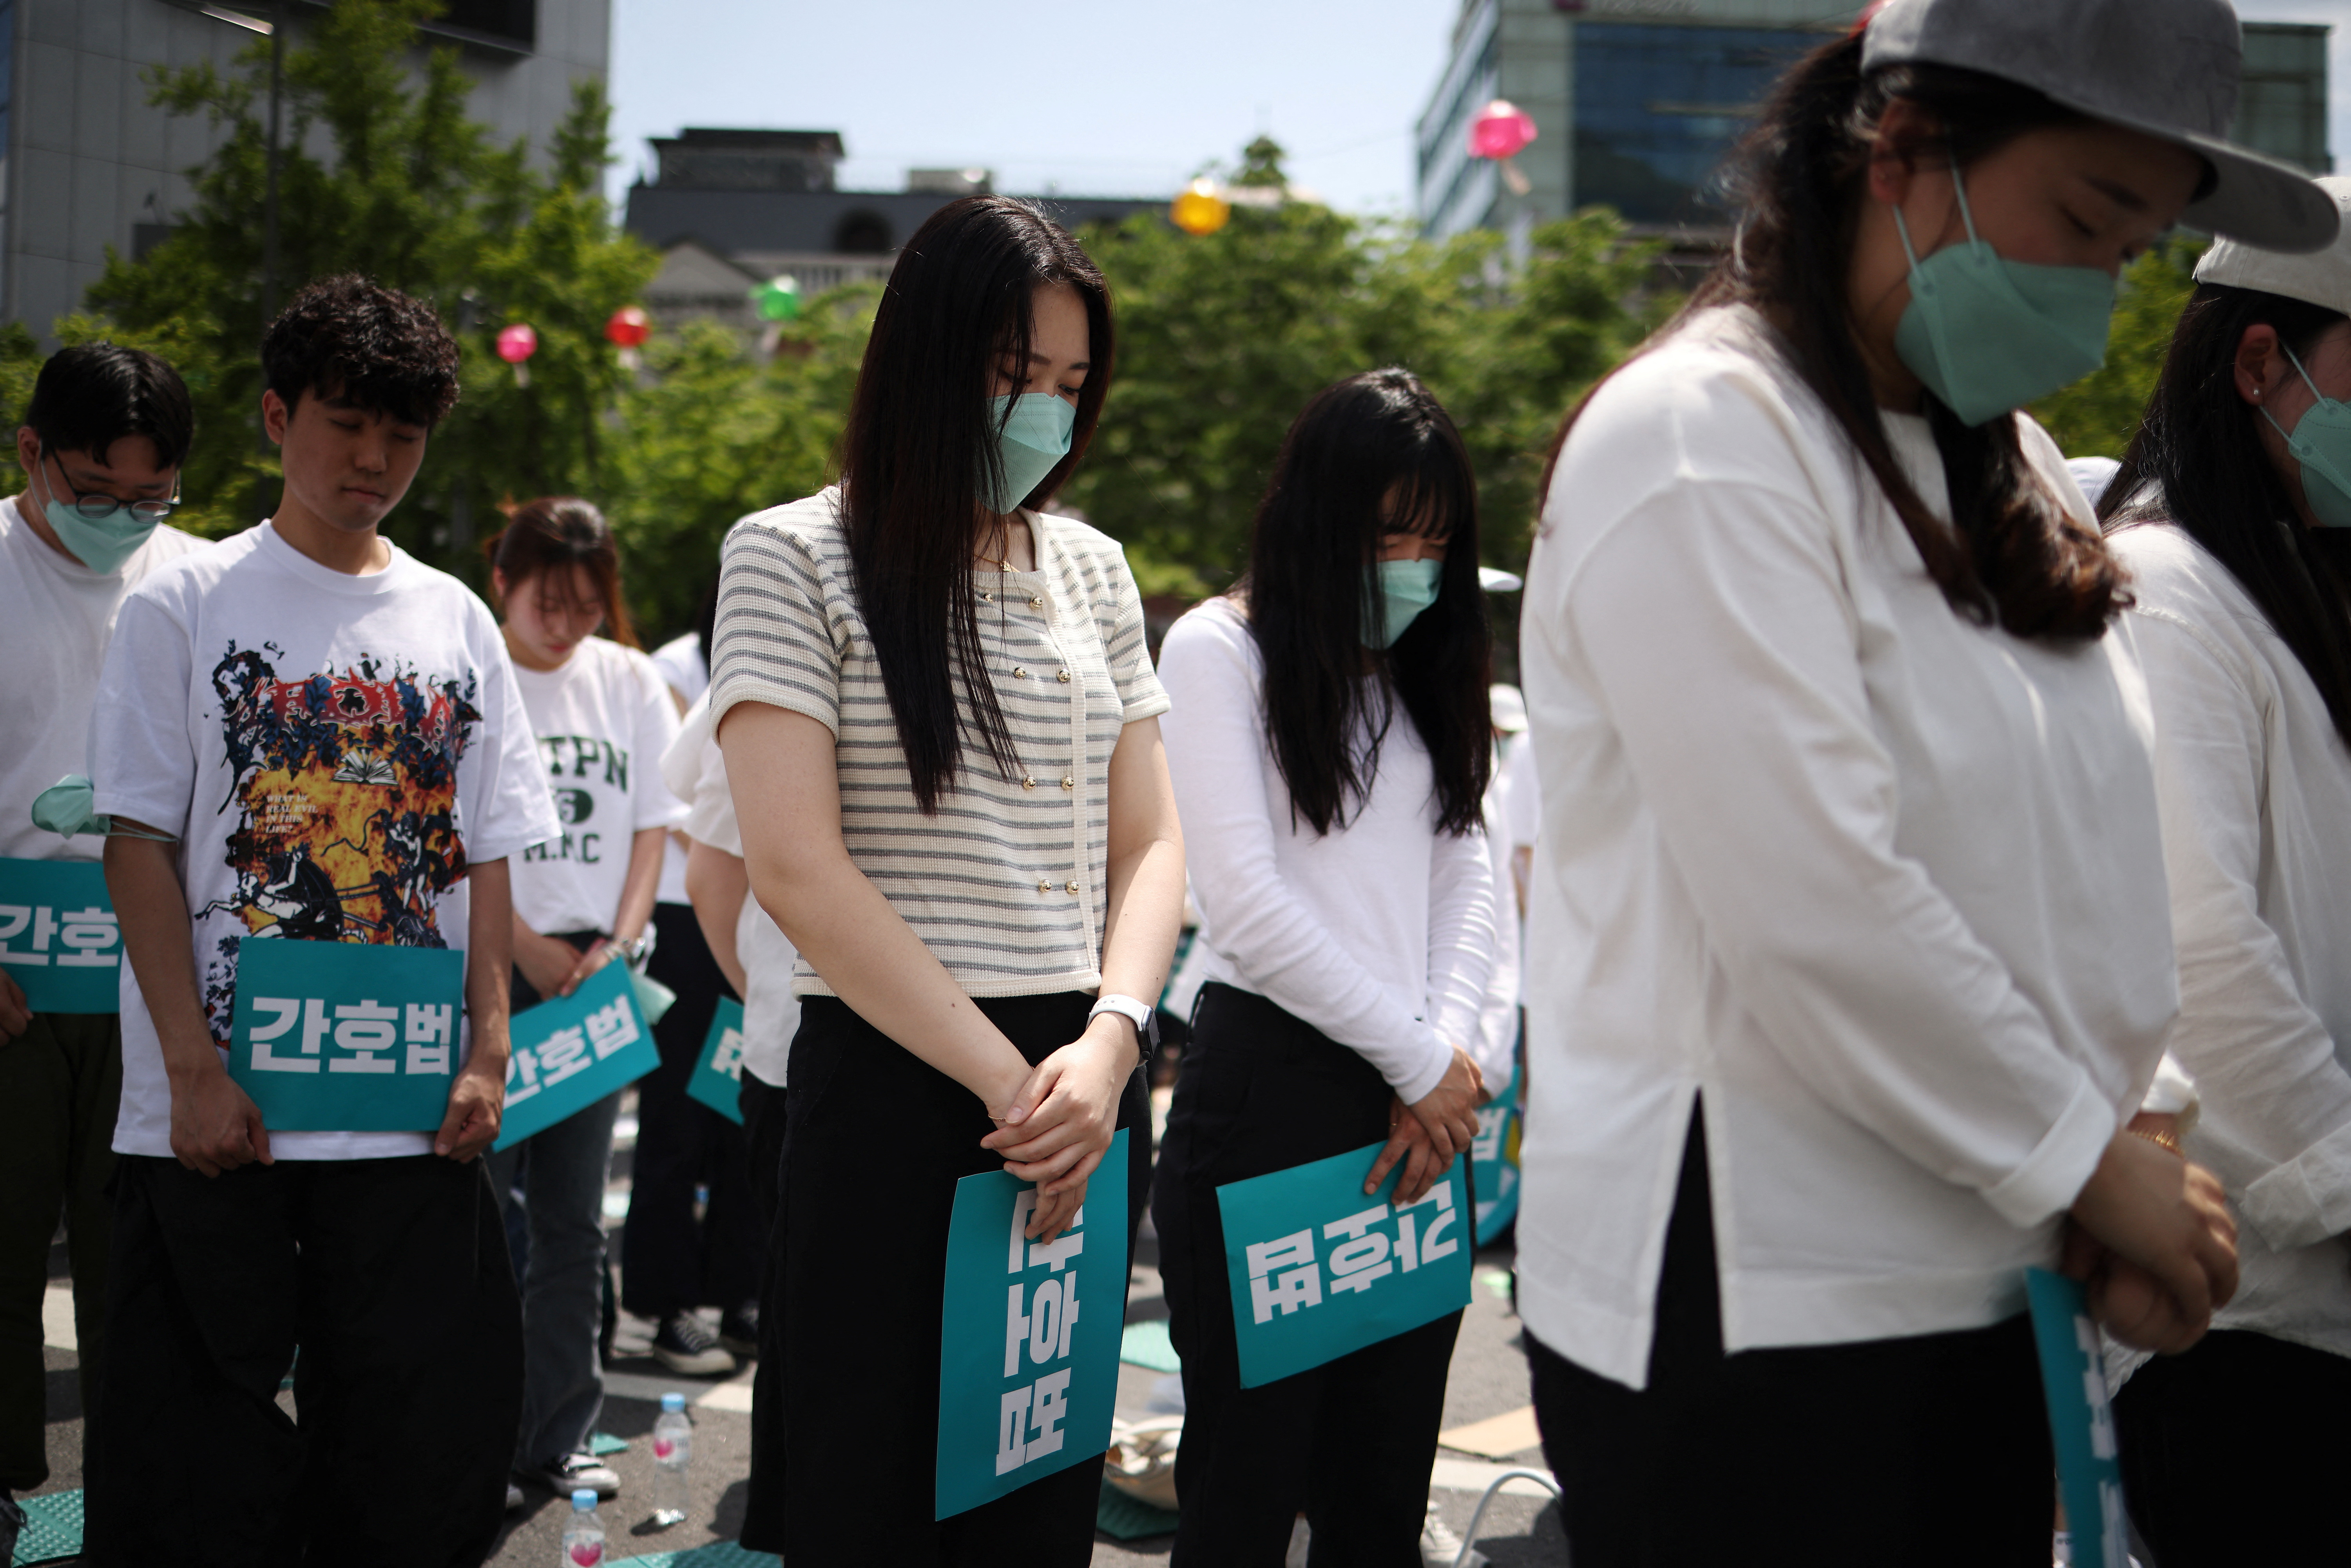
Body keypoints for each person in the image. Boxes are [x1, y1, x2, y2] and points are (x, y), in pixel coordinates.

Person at [1513, 0, 2333, 1559]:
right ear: (1903, 147)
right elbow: (1821, 899)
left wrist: (2138, 1149)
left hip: (1997, 1279)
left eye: (2136, 244)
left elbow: (2082, 860)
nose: (2098, 287)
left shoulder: (2007, 458)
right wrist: (2091, 1162)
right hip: (1767, 1306)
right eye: (2087, 217)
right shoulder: (1704, 437)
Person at [713, 194, 1185, 1566]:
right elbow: (797, 867)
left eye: (1068, 383)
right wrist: (1005, 1082)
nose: (1042, 409)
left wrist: (1111, 1045)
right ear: (924, 356)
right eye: (1010, 372)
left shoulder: (1091, 566)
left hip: (1083, 1089)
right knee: (875, 1501)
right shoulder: (792, 552)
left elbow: (1152, 844)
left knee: (1035, 1498)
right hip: (906, 1085)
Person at [80, 274, 559, 1566]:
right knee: (195, 1468)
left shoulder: (456, 615)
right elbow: (139, 842)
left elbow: (487, 853)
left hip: (404, 1126)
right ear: (276, 416)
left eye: (404, 436)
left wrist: (487, 1051)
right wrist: (189, 1071)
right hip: (220, 1121)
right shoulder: (183, 604)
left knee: (412, 1461)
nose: (374, 460)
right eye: (346, 424)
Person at [1152, 368, 1497, 1567]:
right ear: (1318, 515)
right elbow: (1246, 898)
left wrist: (1452, 1060)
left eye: (1436, 540)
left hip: (1416, 1110)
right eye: (1389, 530)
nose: (1412, 563)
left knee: (1382, 1497)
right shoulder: (1220, 648)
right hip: (1274, 1097)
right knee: (1244, 1495)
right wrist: (1421, 1059)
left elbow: (1469, 878)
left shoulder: (1426, 672)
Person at [2095, 176, 2351, 1566]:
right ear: (2263, 361)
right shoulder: (2173, 589)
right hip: (2251, 1325)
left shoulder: (2301, 589)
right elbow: (2204, 959)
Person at [0, 344, 206, 1549]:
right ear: (30, 451)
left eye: (152, 498)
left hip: (144, 967)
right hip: (15, 977)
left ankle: (144, 1485)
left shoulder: (192, 580)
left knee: (145, 1256)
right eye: (95, 493)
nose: (124, 522)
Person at [480, 496, 687, 1498]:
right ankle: (466, 1433)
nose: (564, 624)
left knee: (570, 1219)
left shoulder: (631, 679)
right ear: (503, 585)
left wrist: (622, 938)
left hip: (596, 974)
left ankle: (558, 1434)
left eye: (587, 606)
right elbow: (455, 835)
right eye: (546, 602)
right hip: (491, 965)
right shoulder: (476, 666)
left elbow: (653, 823)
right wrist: (522, 943)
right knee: (478, 1208)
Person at [625, 579, 765, 1376]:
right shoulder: (674, 669)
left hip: (767, 915)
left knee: (745, 1111)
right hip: (689, 920)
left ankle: (740, 1293)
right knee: (678, 1119)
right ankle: (667, 1301)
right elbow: (677, 814)